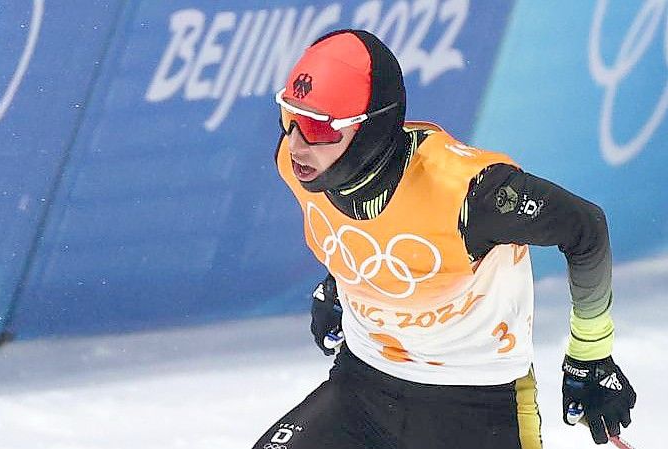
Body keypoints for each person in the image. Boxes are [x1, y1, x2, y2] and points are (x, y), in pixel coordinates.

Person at [252, 29, 636, 449]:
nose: (296, 144)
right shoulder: (299, 163)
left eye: (318, 127)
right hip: (362, 386)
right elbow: (369, 226)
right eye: (291, 116)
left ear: (369, 129)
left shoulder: (474, 195)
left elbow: (585, 228)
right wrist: (346, 283)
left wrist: (591, 354)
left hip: (477, 403)